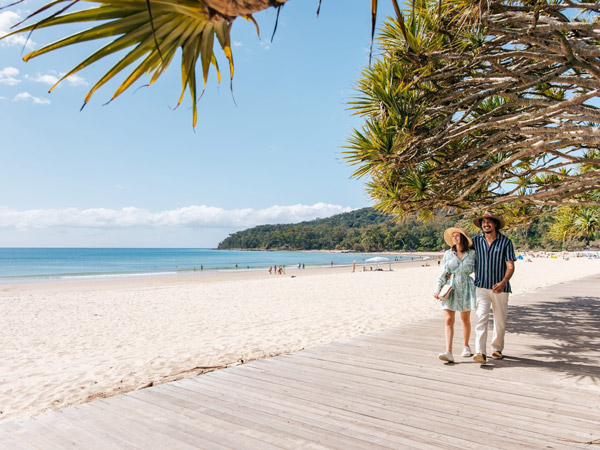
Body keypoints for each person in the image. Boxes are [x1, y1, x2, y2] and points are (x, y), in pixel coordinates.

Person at [471, 211, 516, 364]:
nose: (486, 224)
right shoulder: (475, 241)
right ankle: (480, 352)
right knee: (481, 318)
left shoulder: (506, 242)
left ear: (495, 224)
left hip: (501, 288)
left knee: (500, 321)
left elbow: (510, 266)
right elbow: (462, 253)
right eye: (483, 222)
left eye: (489, 221)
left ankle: (496, 349)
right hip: (481, 287)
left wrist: (503, 282)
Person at [434, 227, 477, 363]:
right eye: (453, 236)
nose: (455, 238)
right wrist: (437, 289)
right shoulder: (448, 254)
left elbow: (478, 272)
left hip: (466, 287)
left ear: (463, 238)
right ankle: (449, 351)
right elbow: (443, 273)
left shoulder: (472, 254)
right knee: (448, 320)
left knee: (465, 319)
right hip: (450, 287)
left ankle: (466, 346)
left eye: (457, 236)